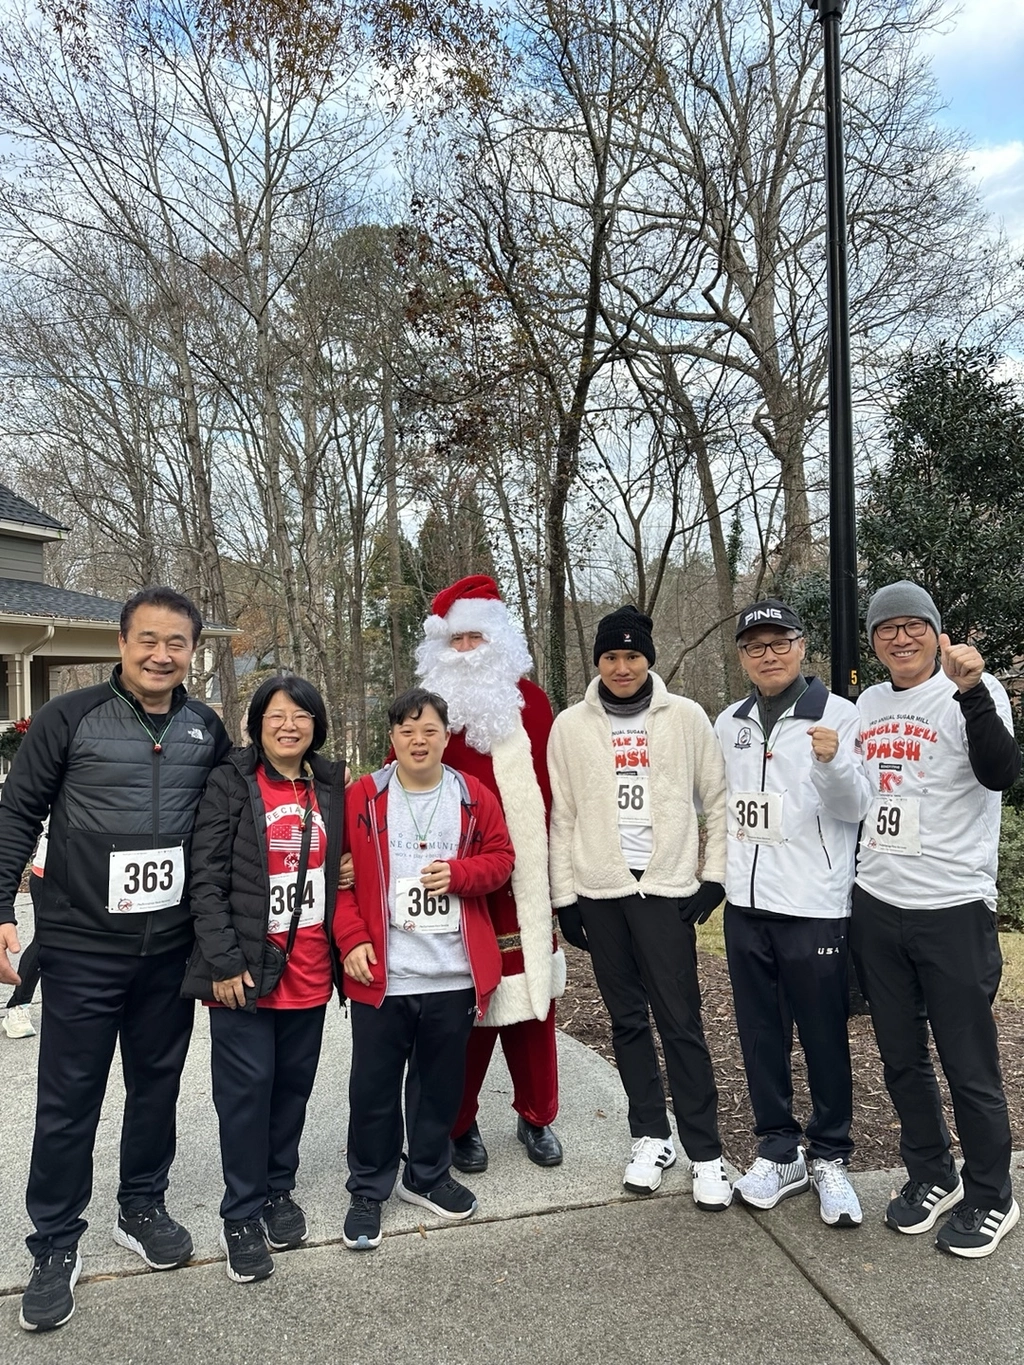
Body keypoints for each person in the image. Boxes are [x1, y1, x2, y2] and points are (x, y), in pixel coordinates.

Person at [0, 586, 231, 1333]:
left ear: (192, 649)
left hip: (168, 950)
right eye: (147, 640)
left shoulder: (206, 727)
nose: (162, 654)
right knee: (70, 1101)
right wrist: (2, 908)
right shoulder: (70, 718)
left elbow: (235, 822)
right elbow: (18, 811)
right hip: (80, 947)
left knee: (156, 1086)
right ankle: (55, 1242)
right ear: (123, 643)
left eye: (176, 643)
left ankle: (141, 1204)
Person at [853, 581, 1021, 1259]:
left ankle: (992, 1194)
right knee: (900, 1058)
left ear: (935, 630)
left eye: (912, 625)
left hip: (951, 907)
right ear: (873, 641)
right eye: (885, 628)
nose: (900, 637)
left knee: (968, 1062)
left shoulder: (971, 690)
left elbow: (1001, 771)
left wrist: (974, 690)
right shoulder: (867, 703)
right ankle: (932, 1172)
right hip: (878, 903)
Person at [547, 605, 732, 1209]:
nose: (621, 667)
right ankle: (652, 1135)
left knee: (681, 1022)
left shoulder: (684, 718)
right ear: (596, 662)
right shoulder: (570, 726)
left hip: (667, 890)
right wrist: (564, 897)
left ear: (649, 658)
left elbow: (718, 796)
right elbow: (563, 815)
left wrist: (714, 876)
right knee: (626, 1021)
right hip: (601, 893)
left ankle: (704, 1150)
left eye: (631, 656)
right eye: (610, 657)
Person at [336, 688, 514, 1251]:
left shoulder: (471, 794)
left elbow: (504, 859)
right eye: (408, 730)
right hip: (382, 975)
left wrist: (460, 874)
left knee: (439, 1085)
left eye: (430, 730)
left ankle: (428, 1174)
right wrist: (351, 941)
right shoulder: (363, 797)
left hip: (453, 974)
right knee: (373, 1087)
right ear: (392, 738)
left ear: (445, 736)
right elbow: (336, 883)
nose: (419, 740)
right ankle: (369, 1186)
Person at [183, 675, 347, 1283]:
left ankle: (280, 1191)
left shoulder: (329, 784)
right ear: (257, 722)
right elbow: (205, 877)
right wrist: (224, 961)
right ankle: (242, 1214)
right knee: (245, 1096)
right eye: (277, 715)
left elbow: (346, 869)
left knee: (292, 1092)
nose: (289, 725)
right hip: (244, 972)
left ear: (316, 725)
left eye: (301, 715)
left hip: (310, 968)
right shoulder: (231, 781)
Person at [715, 599, 870, 1227]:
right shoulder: (730, 721)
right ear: (743, 657)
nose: (769, 655)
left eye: (780, 643)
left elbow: (857, 806)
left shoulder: (840, 715)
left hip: (814, 906)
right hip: (746, 906)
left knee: (823, 1035)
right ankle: (779, 1150)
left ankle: (831, 1153)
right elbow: (722, 802)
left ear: (802, 647)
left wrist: (832, 761)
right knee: (760, 1034)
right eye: (755, 646)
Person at [415, 574, 564, 1172]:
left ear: (500, 638)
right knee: (467, 1004)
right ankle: (459, 1122)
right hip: (459, 874)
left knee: (533, 1002)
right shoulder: (428, 709)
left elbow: (559, 789)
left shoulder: (534, 703)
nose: (467, 650)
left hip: (528, 875)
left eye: (477, 636)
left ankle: (537, 1116)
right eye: (456, 640)